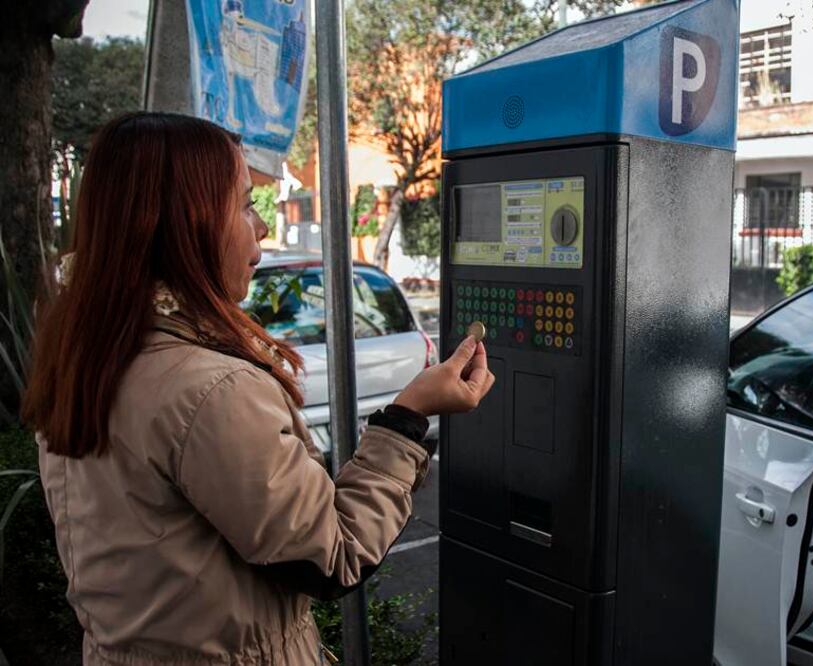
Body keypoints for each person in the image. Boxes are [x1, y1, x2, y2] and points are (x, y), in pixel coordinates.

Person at [20, 112, 494, 665]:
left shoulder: (85, 354)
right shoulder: (207, 388)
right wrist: (410, 416)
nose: (262, 229)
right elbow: (334, 555)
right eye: (245, 205)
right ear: (186, 223)